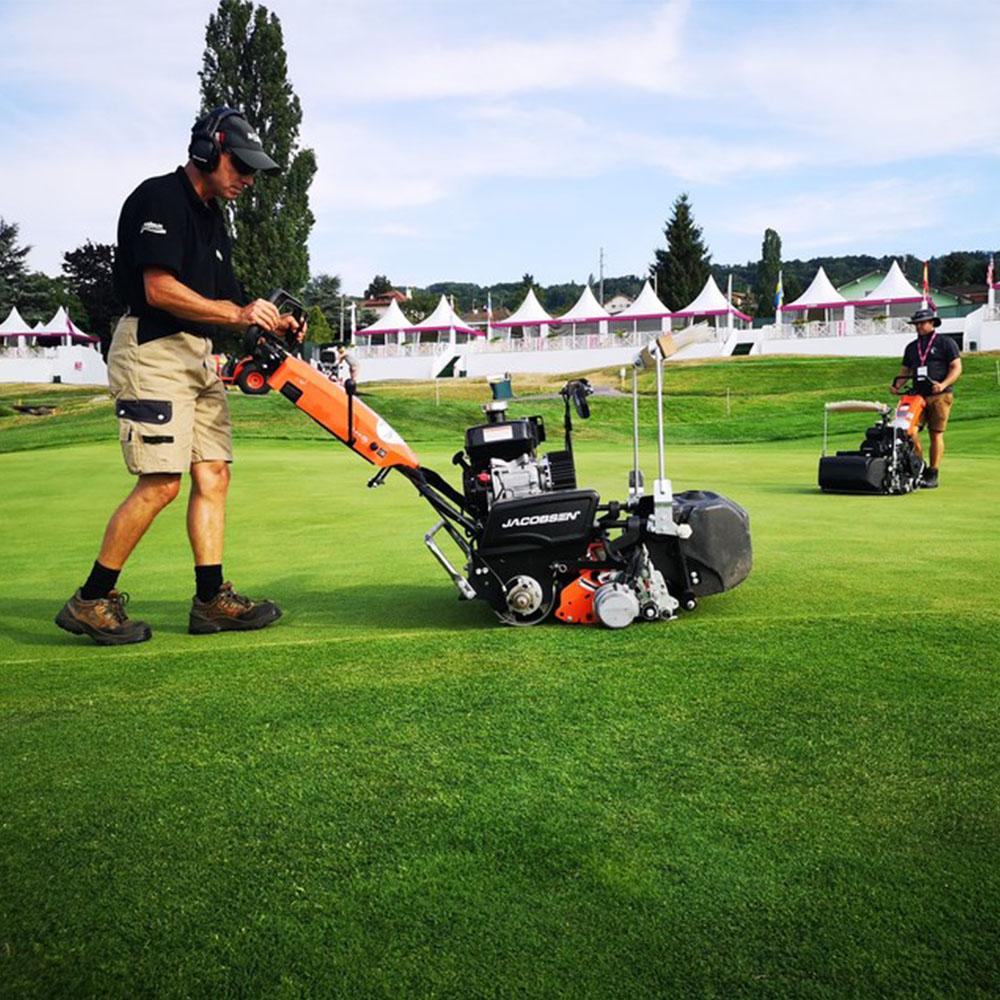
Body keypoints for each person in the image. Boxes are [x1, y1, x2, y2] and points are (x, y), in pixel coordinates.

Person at [56, 107, 304, 645]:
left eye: (254, 170)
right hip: (151, 348)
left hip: (196, 354)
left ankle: (211, 601)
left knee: (213, 473)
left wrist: (269, 319)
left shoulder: (216, 218)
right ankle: (91, 599)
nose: (248, 178)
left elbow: (229, 301)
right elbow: (158, 289)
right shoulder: (159, 198)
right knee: (163, 481)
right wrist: (237, 314)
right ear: (208, 151)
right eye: (241, 165)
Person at [891, 307, 962, 489]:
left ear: (932, 323)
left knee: (935, 433)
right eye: (916, 324)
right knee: (910, 430)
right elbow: (906, 370)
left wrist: (943, 384)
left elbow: (956, 367)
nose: (919, 327)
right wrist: (897, 385)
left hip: (940, 395)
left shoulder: (946, 342)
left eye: (922, 323)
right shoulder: (912, 347)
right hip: (918, 396)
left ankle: (933, 473)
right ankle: (919, 465)